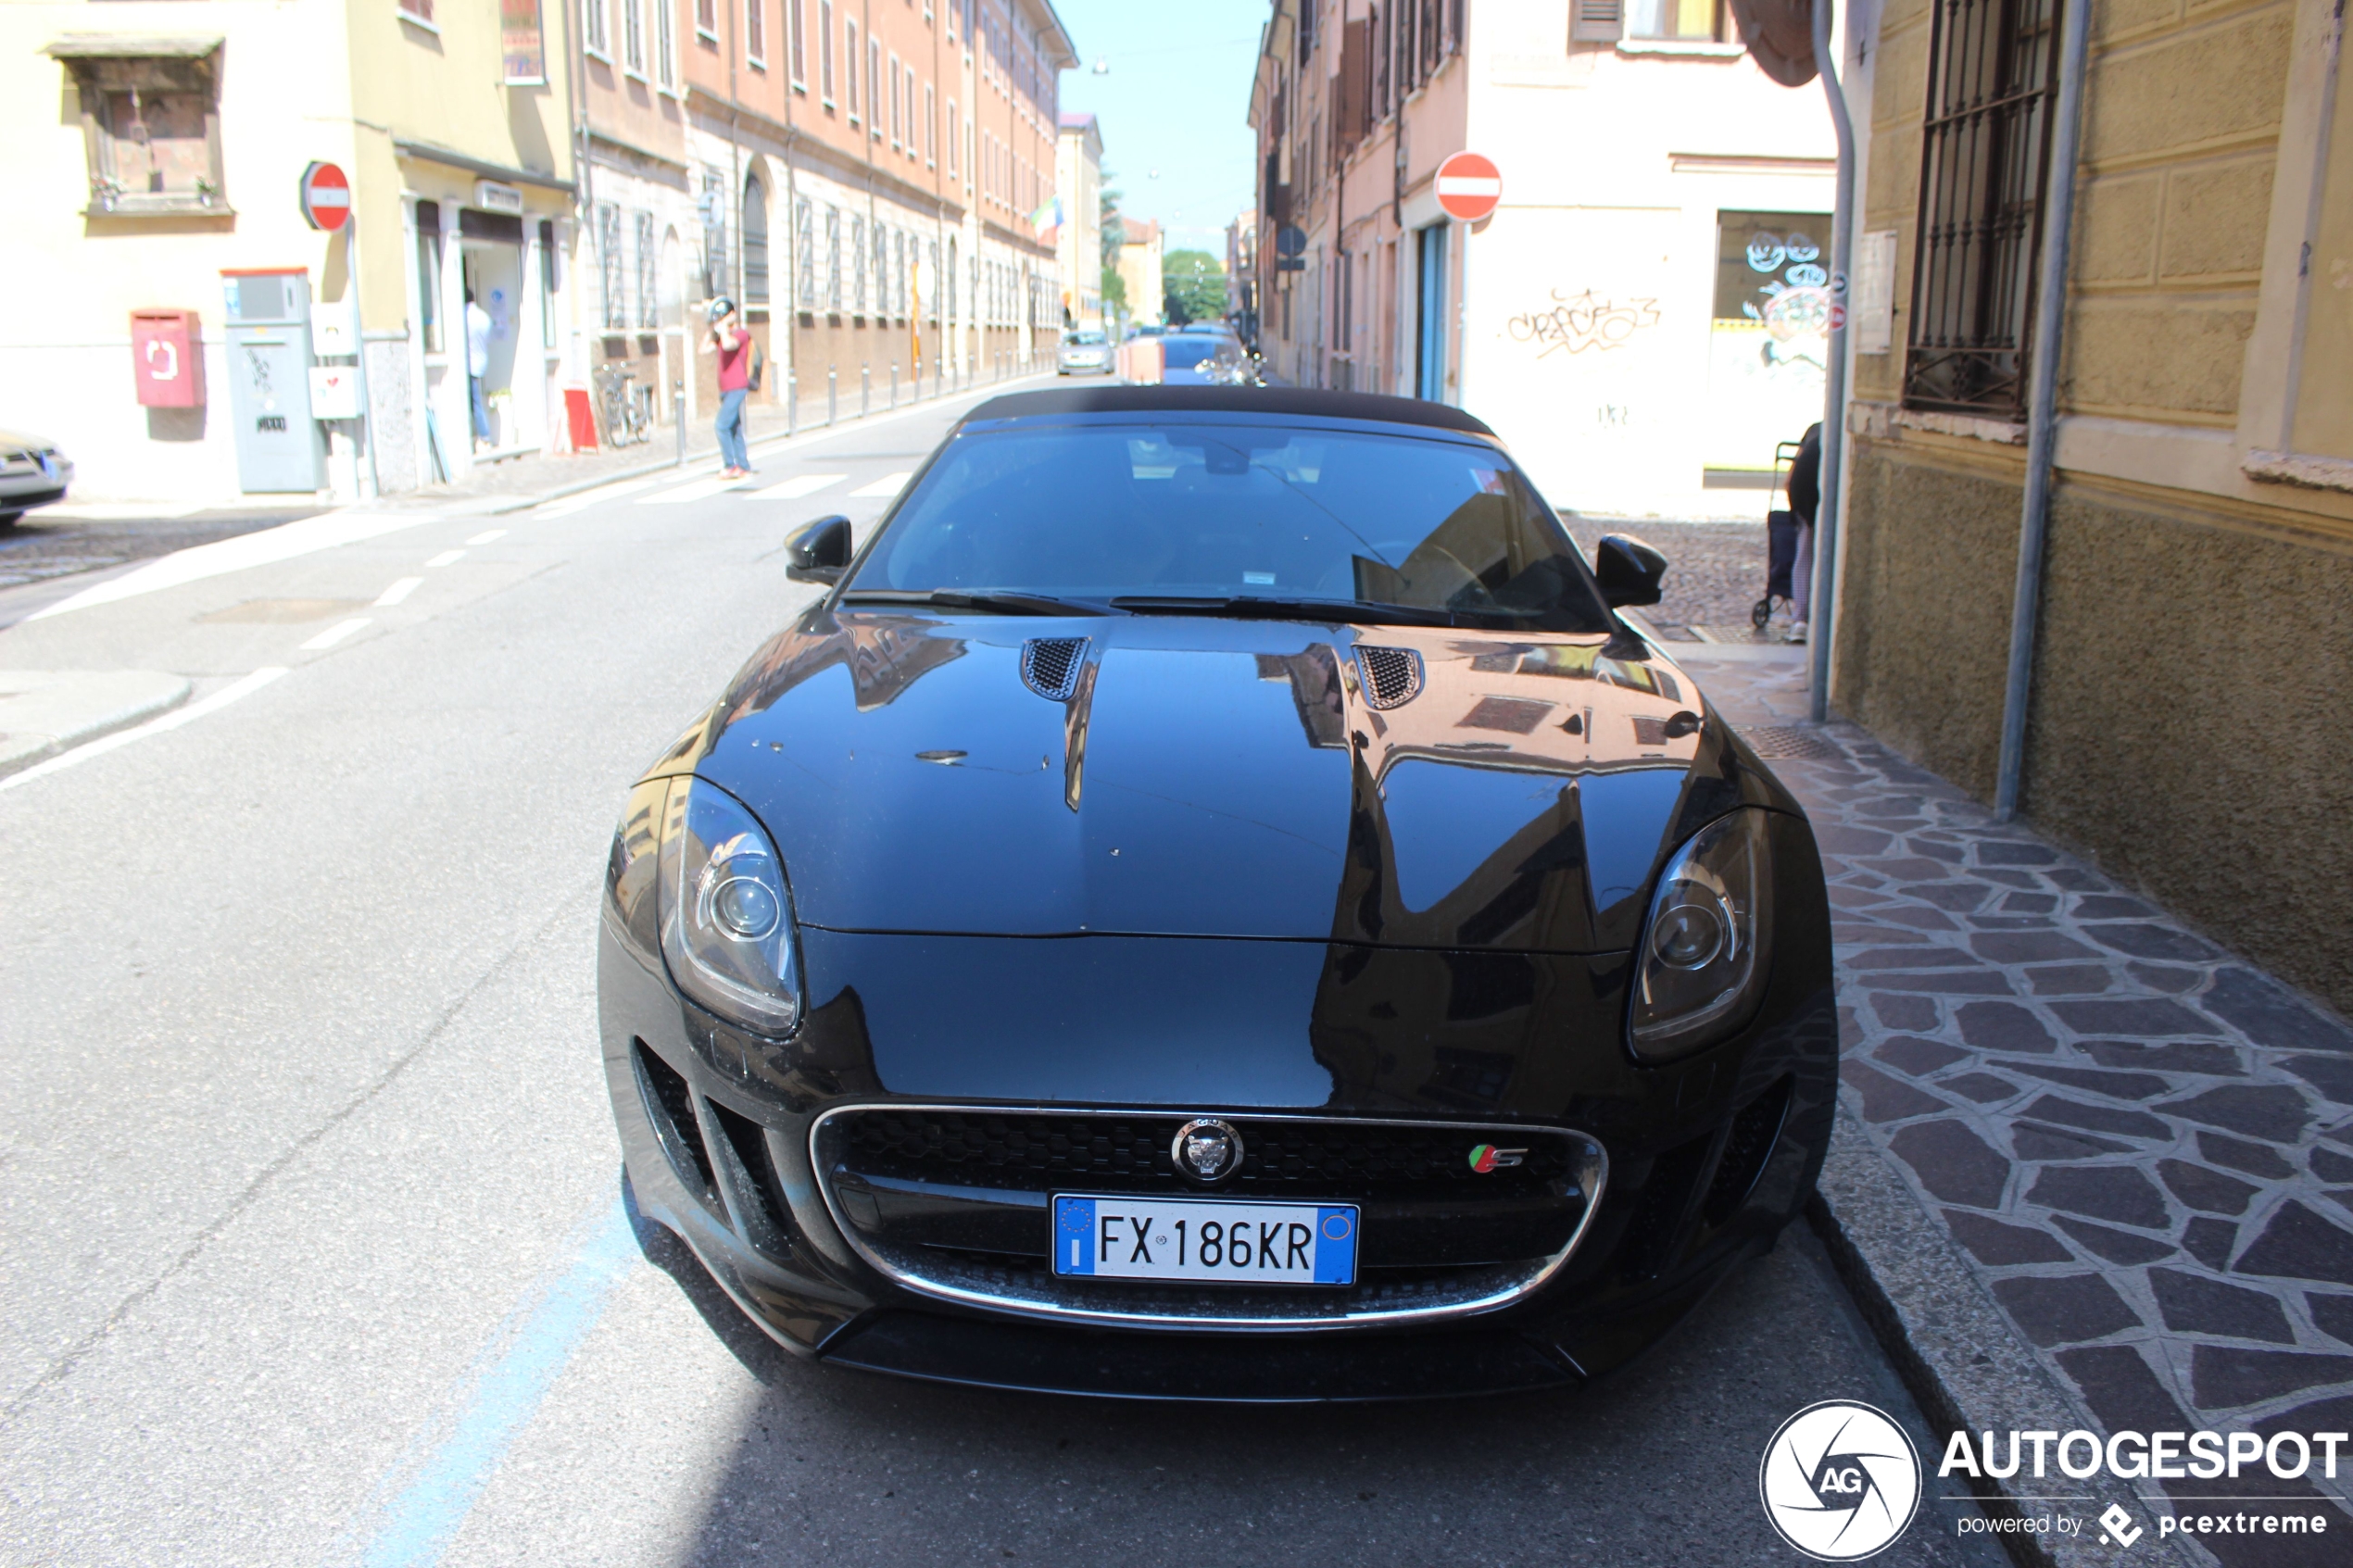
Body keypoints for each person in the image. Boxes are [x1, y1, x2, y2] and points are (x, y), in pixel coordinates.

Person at [701, 297, 753, 479]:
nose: (721, 321)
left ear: (732, 315)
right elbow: (703, 349)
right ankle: (743, 465)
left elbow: (729, 345)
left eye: (723, 316)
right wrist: (711, 326)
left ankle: (729, 464)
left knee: (721, 425)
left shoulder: (740, 334)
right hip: (725, 388)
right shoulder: (722, 336)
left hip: (738, 386)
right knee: (734, 428)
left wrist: (723, 327)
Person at [1785, 420, 1822, 646]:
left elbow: (1789, 480)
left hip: (1803, 490)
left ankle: (1802, 620)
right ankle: (1805, 619)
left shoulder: (1817, 429)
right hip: (1810, 489)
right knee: (1810, 550)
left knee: (1805, 551)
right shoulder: (1831, 430)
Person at [464, 290, 494, 446]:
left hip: (469, 364)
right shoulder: (484, 317)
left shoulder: (464, 316)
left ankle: (483, 435)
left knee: (474, 403)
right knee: (476, 401)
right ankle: (483, 435)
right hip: (481, 361)